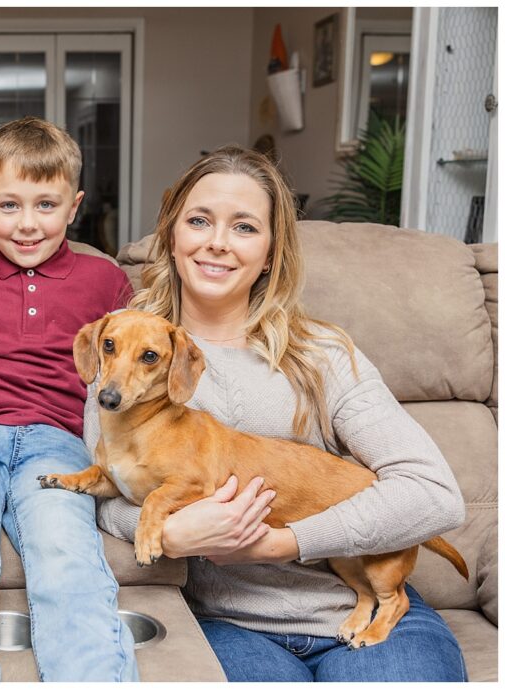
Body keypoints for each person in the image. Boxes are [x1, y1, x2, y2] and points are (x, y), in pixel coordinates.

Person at [95, 145, 467, 682]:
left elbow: (434, 494)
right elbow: (107, 493)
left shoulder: (326, 355)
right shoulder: (123, 351)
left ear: (271, 251)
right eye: (199, 221)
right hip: (224, 623)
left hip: (351, 605)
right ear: (172, 237)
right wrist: (171, 535)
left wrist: (283, 544)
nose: (217, 243)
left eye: (244, 227)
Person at [0, 116, 139, 681]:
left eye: (46, 205)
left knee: (64, 554)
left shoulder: (104, 281)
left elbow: (137, 365)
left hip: (59, 442)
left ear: (74, 206)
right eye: (9, 206)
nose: (28, 225)